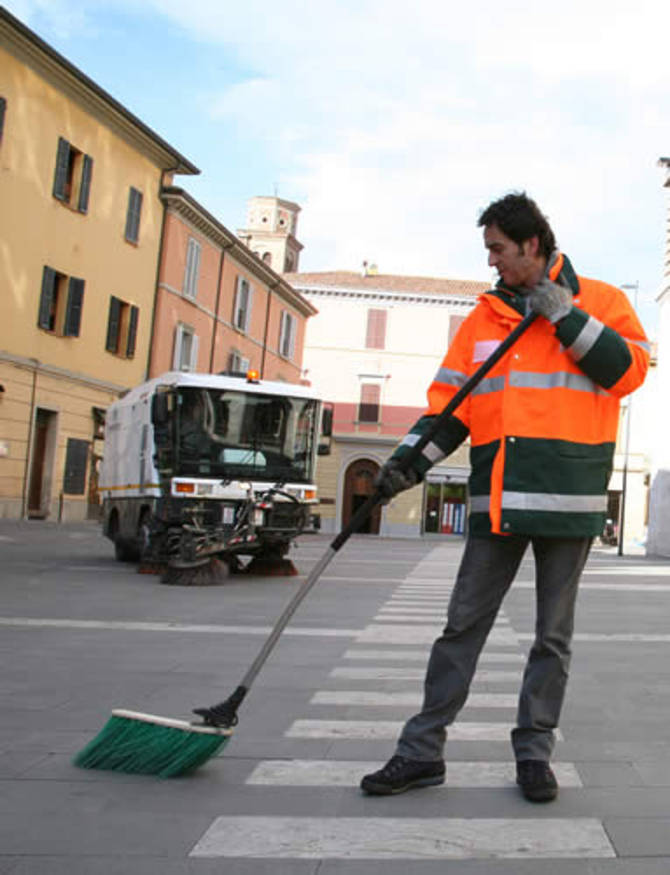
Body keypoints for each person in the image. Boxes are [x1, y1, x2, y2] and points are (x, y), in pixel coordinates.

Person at [360, 192, 650, 802]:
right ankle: (420, 754)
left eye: (497, 249)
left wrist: (562, 314)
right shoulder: (485, 318)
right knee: (460, 628)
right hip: (496, 499)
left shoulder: (602, 300)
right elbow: (451, 409)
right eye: (488, 249)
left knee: (552, 638)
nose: (491, 262)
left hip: (568, 502)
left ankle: (534, 755)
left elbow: (627, 373)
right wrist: (402, 468)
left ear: (532, 246)